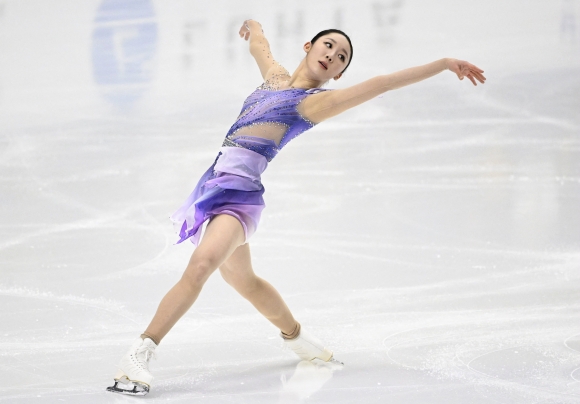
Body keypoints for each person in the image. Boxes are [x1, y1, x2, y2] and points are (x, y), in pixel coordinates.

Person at [106, 19, 486, 396]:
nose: (333, 56)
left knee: (202, 265)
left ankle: (140, 352)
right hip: (213, 187)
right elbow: (260, 46)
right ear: (309, 46)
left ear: (338, 74)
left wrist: (443, 64)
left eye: (342, 58)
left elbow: (383, 83)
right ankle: (297, 337)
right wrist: (253, 26)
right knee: (244, 281)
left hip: (239, 199)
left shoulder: (315, 104)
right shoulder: (274, 78)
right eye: (329, 47)